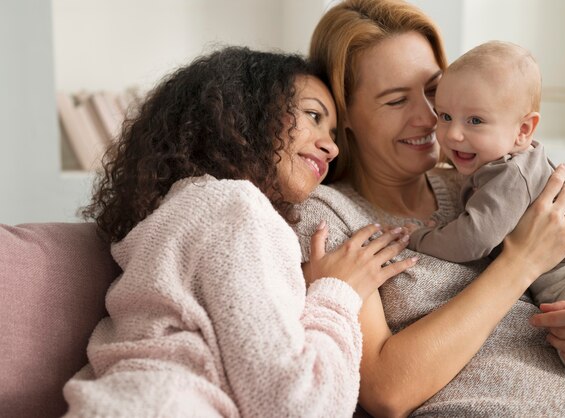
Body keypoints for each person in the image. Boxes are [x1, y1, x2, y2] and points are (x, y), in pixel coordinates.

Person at [294, 0, 565, 416]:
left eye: (433, 91)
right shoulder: (327, 216)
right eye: (396, 101)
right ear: (345, 114)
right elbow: (387, 393)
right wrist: (521, 262)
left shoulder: (482, 175)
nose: (430, 117)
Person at [61, 46, 417, 417]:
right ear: (248, 114)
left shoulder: (184, 208)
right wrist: (338, 294)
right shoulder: (234, 206)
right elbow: (298, 406)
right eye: (313, 116)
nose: (331, 147)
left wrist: (305, 286)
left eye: (332, 132)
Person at [405, 40, 565, 413]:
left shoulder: (510, 174)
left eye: (474, 120)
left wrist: (419, 236)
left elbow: (472, 239)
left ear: (523, 130)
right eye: (444, 116)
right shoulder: (500, 165)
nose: (453, 134)